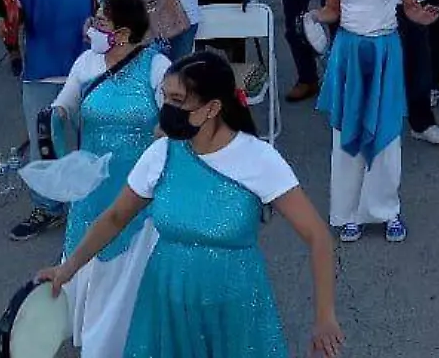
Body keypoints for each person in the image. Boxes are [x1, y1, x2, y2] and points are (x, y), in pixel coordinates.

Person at [39, 51, 344, 358]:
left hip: (234, 309)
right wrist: (68, 268)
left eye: (178, 100)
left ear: (212, 108)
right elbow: (116, 216)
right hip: (166, 301)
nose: (167, 109)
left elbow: (317, 236)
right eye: (166, 98)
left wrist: (325, 318)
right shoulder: (161, 153)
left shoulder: (259, 159)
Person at [314, 0, 439, 243]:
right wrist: (311, 17)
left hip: (386, 50)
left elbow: (411, 7)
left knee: (386, 137)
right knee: (346, 135)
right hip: (349, 53)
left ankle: (387, 210)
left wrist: (424, 17)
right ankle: (347, 213)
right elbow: (331, 10)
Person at [48, 0, 168, 353]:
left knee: (127, 260)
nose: (93, 27)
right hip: (92, 183)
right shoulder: (86, 62)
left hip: (136, 185)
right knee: (87, 248)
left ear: (123, 32)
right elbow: (65, 103)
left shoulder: (157, 66)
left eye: (101, 22)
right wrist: (56, 117)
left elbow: (173, 116)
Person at [5, 0, 110, 241]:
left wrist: (97, 26)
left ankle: (92, 210)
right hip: (41, 67)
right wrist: (9, 27)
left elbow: (108, 11)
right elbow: (13, 15)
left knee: (90, 142)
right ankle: (48, 206)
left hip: (87, 69)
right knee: (45, 142)